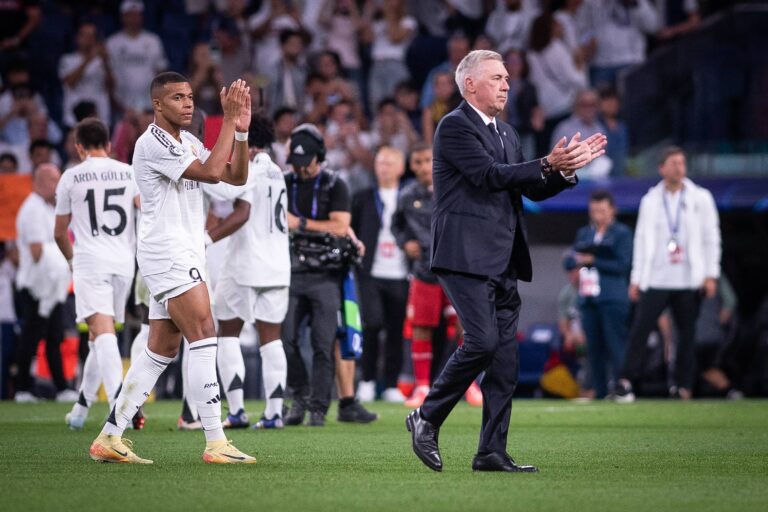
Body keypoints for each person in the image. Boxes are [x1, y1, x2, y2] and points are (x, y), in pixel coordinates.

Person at [405, 49, 606, 473]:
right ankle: (426, 417)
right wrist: (545, 162)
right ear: (470, 85)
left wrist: (563, 171)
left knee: (505, 362)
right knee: (482, 342)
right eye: (497, 77)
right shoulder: (453, 127)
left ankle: (491, 451)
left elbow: (528, 190)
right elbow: (490, 176)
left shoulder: (508, 133)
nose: (506, 84)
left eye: (507, 78)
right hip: (465, 255)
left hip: (504, 256)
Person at [88, 72, 254, 464]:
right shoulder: (153, 142)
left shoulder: (188, 141)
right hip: (169, 253)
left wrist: (241, 133)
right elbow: (213, 171)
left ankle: (110, 436)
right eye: (178, 97)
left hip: (184, 251)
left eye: (191, 97)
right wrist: (228, 121)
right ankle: (215, 441)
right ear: (157, 105)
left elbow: (234, 176)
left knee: (160, 350)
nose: (188, 104)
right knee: (204, 333)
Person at [282, 123, 374, 426]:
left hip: (326, 275)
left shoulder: (335, 185)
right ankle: (300, 396)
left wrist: (301, 223)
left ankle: (319, 408)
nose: (300, 168)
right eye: (294, 161)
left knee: (324, 342)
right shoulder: (284, 182)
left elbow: (338, 225)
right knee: (287, 339)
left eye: (304, 160)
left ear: (319, 156)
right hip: (291, 272)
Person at [202, 113, 289, 430]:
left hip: (245, 263)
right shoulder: (278, 172)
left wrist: (207, 238)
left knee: (228, 334)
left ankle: (237, 411)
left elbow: (243, 213)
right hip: (278, 266)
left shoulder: (249, 169)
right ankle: (274, 413)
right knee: (271, 340)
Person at [616, 146, 720, 402]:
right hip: (657, 278)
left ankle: (682, 386)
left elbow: (711, 238)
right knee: (640, 330)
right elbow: (641, 241)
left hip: (689, 278)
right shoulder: (650, 200)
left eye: (682, 163)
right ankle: (626, 381)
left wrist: (711, 274)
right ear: (661, 168)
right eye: (673, 163)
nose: (678, 167)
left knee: (686, 335)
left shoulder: (701, 198)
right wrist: (636, 279)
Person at [53, 118, 139, 429]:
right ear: (109, 144)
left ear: (79, 147)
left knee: (102, 332)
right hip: (123, 262)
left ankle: (120, 406)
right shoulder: (130, 173)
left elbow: (60, 232)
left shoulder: (71, 177)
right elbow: (146, 208)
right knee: (98, 336)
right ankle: (80, 409)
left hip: (91, 261)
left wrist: (72, 261)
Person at [392, 144, 481, 408]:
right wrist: (405, 241)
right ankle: (421, 388)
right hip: (424, 271)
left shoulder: (454, 187)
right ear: (411, 165)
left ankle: (470, 385)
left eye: (426, 160)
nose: (422, 167)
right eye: (417, 162)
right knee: (421, 327)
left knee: (464, 327)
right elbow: (396, 225)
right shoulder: (407, 195)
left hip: (455, 270)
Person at [13, 163, 77, 403]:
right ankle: (22, 389)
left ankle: (61, 387)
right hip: (35, 287)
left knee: (53, 337)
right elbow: (38, 252)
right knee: (32, 337)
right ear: (39, 181)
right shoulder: (32, 209)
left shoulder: (48, 209)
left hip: (53, 285)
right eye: (53, 180)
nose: (58, 186)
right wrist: (64, 260)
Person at [352, 146, 409, 403]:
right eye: (379, 162)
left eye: (389, 162)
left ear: (400, 167)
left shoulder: (408, 196)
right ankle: (367, 380)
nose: (383, 167)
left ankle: (392, 384)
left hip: (401, 273)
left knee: (396, 329)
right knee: (371, 325)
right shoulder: (363, 197)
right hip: (370, 272)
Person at [571, 190, 632, 399]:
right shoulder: (584, 233)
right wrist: (576, 259)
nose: (597, 214)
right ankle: (600, 391)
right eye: (594, 210)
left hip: (613, 297)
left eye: (602, 210)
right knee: (594, 348)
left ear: (612, 210)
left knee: (615, 345)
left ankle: (622, 388)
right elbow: (570, 260)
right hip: (588, 297)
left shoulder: (622, 233)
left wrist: (593, 260)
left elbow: (623, 265)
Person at [106, 0, 168, 114]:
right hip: (121, 104)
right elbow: (108, 74)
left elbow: (160, 71)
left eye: (137, 15)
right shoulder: (112, 42)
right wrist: (114, 102)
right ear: (123, 17)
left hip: (149, 105)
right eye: (130, 15)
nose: (133, 19)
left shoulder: (153, 40)